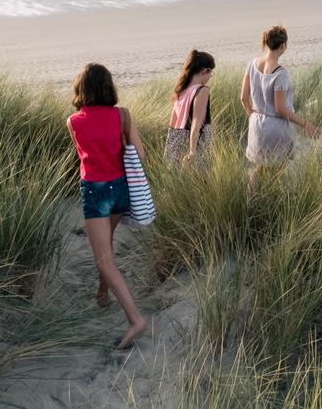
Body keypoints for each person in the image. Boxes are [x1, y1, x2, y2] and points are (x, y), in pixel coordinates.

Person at [66, 63, 148, 349]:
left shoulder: (74, 121)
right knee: (107, 246)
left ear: (82, 89)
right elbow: (140, 152)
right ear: (109, 87)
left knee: (103, 258)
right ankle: (103, 294)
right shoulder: (122, 115)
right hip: (120, 188)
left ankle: (135, 319)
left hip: (96, 191)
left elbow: (84, 155)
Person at [240, 25, 319, 183]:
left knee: (260, 168)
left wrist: (254, 116)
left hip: (256, 124)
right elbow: (280, 108)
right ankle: (276, 202)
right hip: (277, 128)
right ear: (283, 46)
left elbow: (243, 97)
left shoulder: (252, 64)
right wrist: (305, 124)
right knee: (281, 170)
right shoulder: (280, 74)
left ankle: (252, 201)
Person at [166, 49, 215, 167]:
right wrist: (192, 151)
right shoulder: (202, 90)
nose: (210, 77)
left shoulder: (180, 90)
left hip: (176, 140)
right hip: (197, 142)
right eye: (211, 73)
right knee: (201, 182)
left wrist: (169, 149)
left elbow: (172, 124)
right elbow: (196, 123)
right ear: (205, 71)